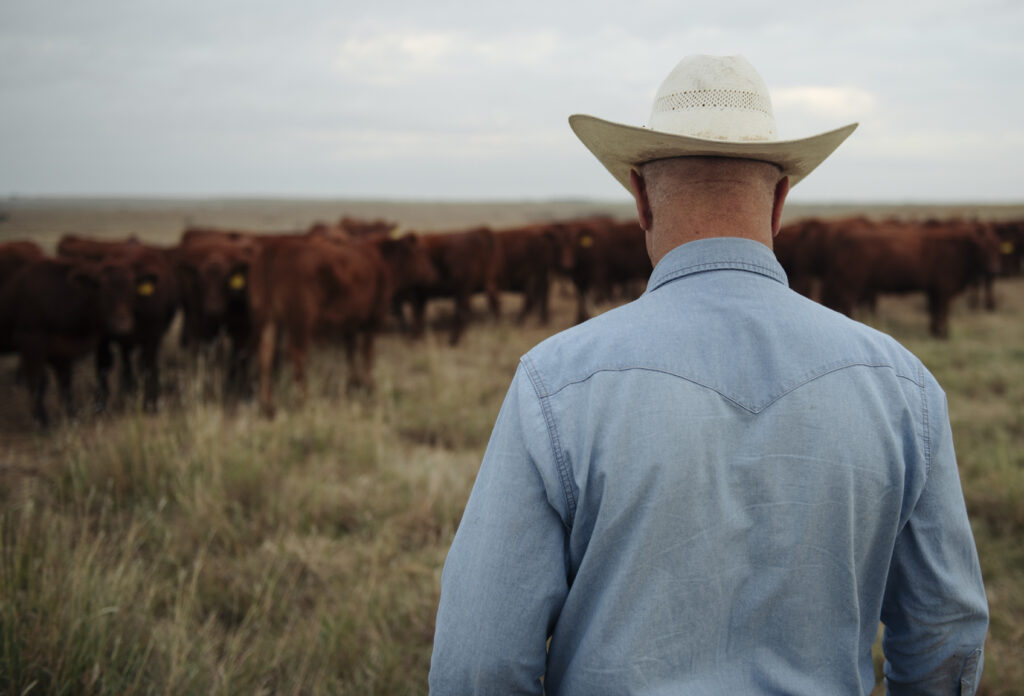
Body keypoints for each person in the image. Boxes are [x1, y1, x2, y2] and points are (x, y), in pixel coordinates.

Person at [428, 55, 988, 695]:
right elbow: (946, 634)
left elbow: (478, 665)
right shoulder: (902, 387)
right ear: (780, 202)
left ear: (639, 197)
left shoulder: (554, 384)